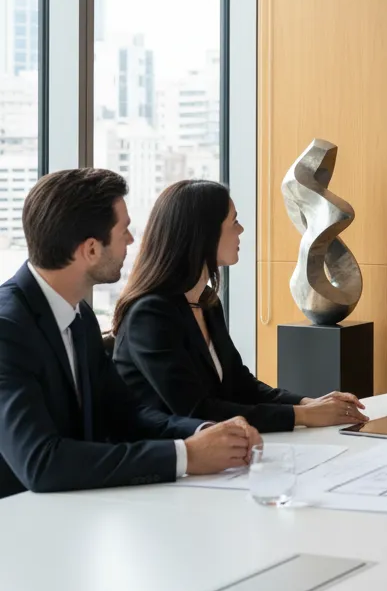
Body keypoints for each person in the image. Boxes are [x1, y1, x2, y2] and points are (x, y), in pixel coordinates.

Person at [0, 169, 260, 499]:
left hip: (74, 511)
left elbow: (126, 415)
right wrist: (187, 456)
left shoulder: (80, 318)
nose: (132, 240)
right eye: (123, 230)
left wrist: (207, 433)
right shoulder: (8, 330)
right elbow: (41, 462)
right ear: (91, 249)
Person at [111, 180, 367, 434]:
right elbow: (196, 411)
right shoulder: (149, 315)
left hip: (213, 453)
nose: (242, 229)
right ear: (204, 233)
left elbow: (241, 385)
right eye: (234, 222)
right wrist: (303, 416)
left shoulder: (206, 301)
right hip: (167, 459)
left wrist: (308, 403)